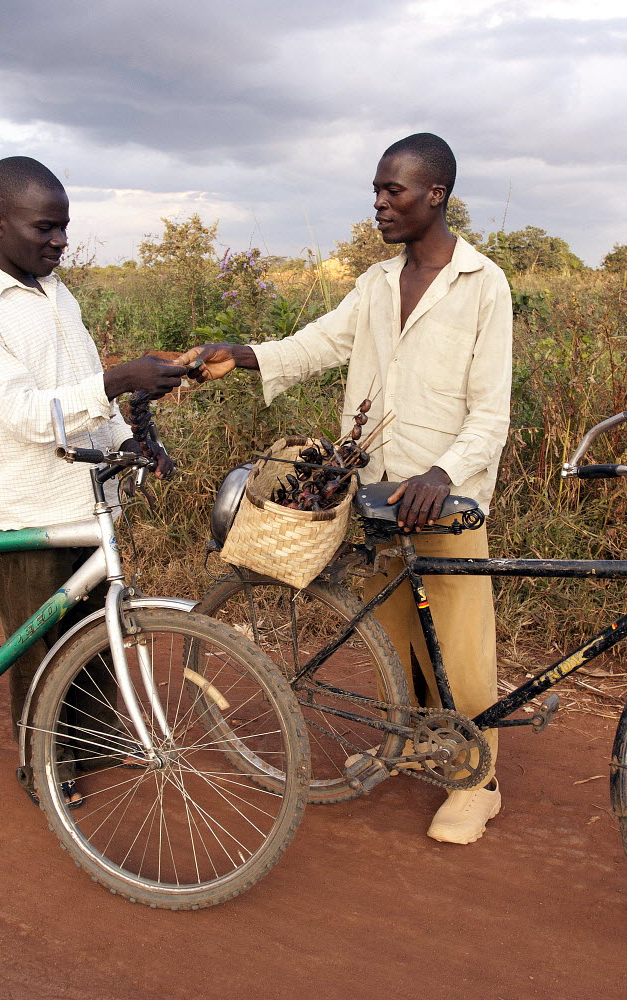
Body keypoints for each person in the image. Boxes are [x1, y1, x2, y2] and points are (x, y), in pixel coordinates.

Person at [184, 133, 513, 844]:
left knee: (457, 642)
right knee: (391, 630)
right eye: (377, 189)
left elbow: (491, 412)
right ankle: (408, 740)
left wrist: (443, 473)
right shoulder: (375, 284)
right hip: (374, 494)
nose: (379, 203)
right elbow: (317, 344)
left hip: (442, 500)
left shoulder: (483, 284)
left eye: (393, 190)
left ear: (436, 194)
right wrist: (240, 356)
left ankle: (477, 781)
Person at [0, 156, 187, 797]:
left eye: (64, 227)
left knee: (92, 632)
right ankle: (43, 768)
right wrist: (117, 380)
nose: (60, 241)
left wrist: (133, 440)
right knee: (42, 644)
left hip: (84, 495)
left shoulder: (56, 293)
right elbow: (24, 411)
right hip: (25, 503)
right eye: (45, 228)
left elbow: (81, 392)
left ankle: (92, 748)